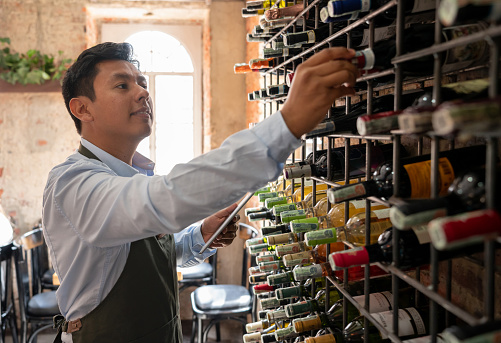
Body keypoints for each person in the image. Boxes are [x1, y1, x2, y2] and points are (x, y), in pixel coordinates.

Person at [42, 42, 358, 342]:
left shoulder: (132, 175)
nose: (143, 92)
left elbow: (143, 256)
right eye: (123, 85)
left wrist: (201, 235)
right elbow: (163, 199)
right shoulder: (73, 183)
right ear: (82, 108)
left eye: (142, 82)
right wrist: (287, 123)